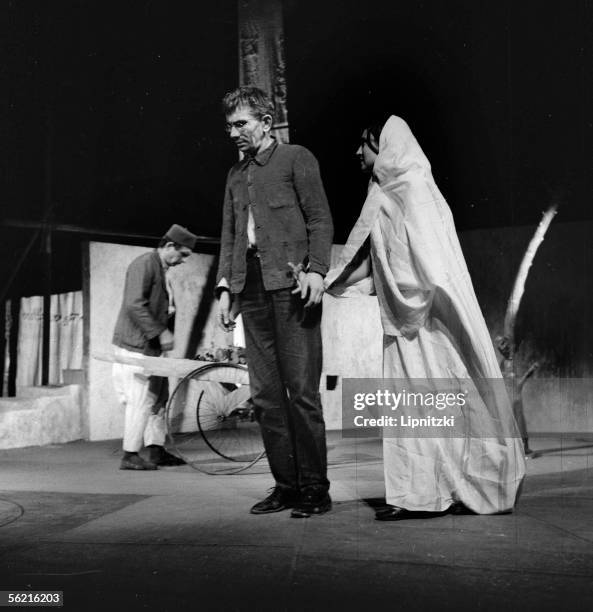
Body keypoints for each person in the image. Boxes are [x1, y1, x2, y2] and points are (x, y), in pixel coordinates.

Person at [325, 116, 526, 520]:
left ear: (383, 146)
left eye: (363, 144)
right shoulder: (381, 192)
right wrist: (329, 281)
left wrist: (408, 298)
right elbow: (373, 260)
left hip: (430, 325)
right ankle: (417, 495)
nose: (356, 152)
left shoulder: (415, 189)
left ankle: (453, 487)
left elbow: (434, 267)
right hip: (402, 325)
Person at [216, 86, 334, 517]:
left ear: (266, 123)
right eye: (229, 126)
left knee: (301, 393)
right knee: (265, 396)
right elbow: (231, 235)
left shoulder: (296, 159)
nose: (233, 133)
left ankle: (315, 490)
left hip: (293, 289)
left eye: (241, 124)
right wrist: (227, 288)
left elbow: (320, 219)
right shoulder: (234, 175)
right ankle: (286, 486)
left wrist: (318, 270)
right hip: (251, 292)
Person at [112, 224, 198, 470]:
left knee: (158, 398)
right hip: (136, 346)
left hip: (153, 349)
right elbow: (134, 304)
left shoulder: (162, 269)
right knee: (140, 400)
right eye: (182, 255)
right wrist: (160, 332)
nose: (182, 261)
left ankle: (155, 449)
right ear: (169, 245)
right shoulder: (145, 264)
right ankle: (129, 454)